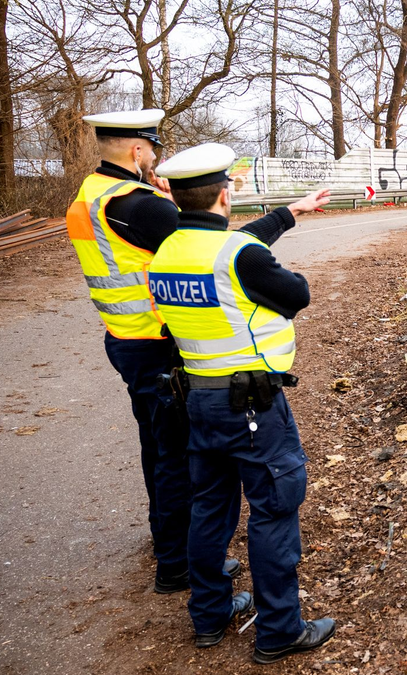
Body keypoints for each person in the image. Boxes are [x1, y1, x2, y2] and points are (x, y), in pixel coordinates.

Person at [147, 143, 336, 663]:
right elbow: (296, 294)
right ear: (226, 194)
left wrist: (289, 213)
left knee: (208, 510)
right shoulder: (241, 256)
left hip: (197, 404)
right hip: (252, 405)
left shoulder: (166, 252)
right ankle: (279, 631)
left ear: (175, 195)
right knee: (273, 510)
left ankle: (209, 616)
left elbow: (222, 248)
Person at [65, 108, 241, 595]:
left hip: (123, 337)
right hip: (159, 344)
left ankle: (166, 536)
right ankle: (179, 562)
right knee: (177, 454)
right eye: (153, 150)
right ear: (138, 150)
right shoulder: (141, 204)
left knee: (155, 444)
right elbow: (207, 250)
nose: (156, 158)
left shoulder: (92, 193)